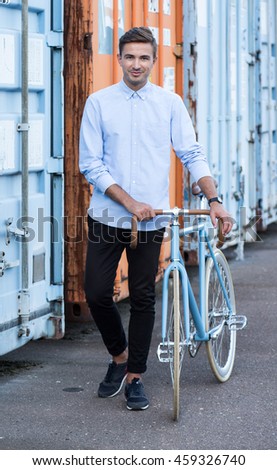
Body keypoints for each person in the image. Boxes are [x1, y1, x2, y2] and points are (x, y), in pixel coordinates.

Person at [79, 27, 232, 411]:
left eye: (143, 57)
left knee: (144, 297)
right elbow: (90, 164)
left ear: (153, 60)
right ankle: (119, 357)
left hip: (151, 220)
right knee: (97, 293)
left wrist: (214, 199)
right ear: (119, 59)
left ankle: (135, 377)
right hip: (107, 215)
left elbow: (192, 154)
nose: (136, 64)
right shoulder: (98, 103)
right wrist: (129, 201)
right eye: (129, 57)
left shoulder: (169, 103)